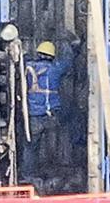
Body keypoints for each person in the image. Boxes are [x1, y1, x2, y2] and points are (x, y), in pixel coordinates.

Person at [21, 37, 78, 185]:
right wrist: (74, 48)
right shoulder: (54, 68)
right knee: (74, 115)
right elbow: (68, 63)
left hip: (33, 117)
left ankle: (28, 175)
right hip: (52, 116)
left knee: (30, 147)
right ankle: (76, 150)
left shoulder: (28, 67)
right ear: (51, 56)